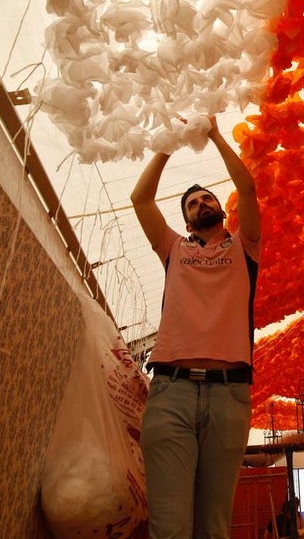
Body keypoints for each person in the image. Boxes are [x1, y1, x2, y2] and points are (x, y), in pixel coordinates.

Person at [131, 115, 261, 539]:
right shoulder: (173, 251)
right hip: (171, 392)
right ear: (186, 224)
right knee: (169, 528)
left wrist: (217, 136)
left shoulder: (245, 247)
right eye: (192, 204)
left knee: (214, 528)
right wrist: (170, 142)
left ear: (221, 210)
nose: (201, 204)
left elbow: (247, 187)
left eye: (206, 199)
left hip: (230, 395)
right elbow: (140, 198)